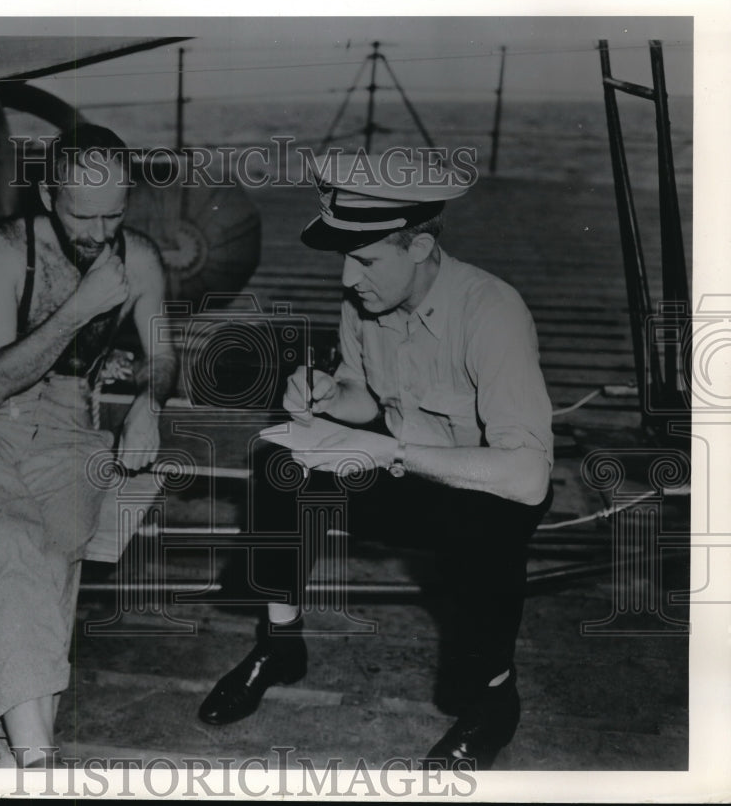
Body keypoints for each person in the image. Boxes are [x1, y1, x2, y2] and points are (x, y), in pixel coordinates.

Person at [198, 150, 554, 770]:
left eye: (363, 259)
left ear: (419, 246)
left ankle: (495, 699)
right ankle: (281, 642)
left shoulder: (492, 313)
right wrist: (328, 394)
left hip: (481, 484)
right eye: (344, 260)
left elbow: (527, 476)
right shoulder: (366, 300)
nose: (346, 279)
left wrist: (389, 449)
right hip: (401, 469)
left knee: (488, 537)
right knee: (279, 460)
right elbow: (366, 398)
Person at [0, 124, 176, 767]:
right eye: (84, 214)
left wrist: (148, 404)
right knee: (4, 531)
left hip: (67, 424)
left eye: (115, 212)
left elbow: (162, 353)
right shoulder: (2, 248)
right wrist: (81, 308)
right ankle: (38, 764)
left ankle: (22, 760)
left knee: (52, 554)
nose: (100, 232)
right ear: (50, 197)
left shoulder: (138, 258)